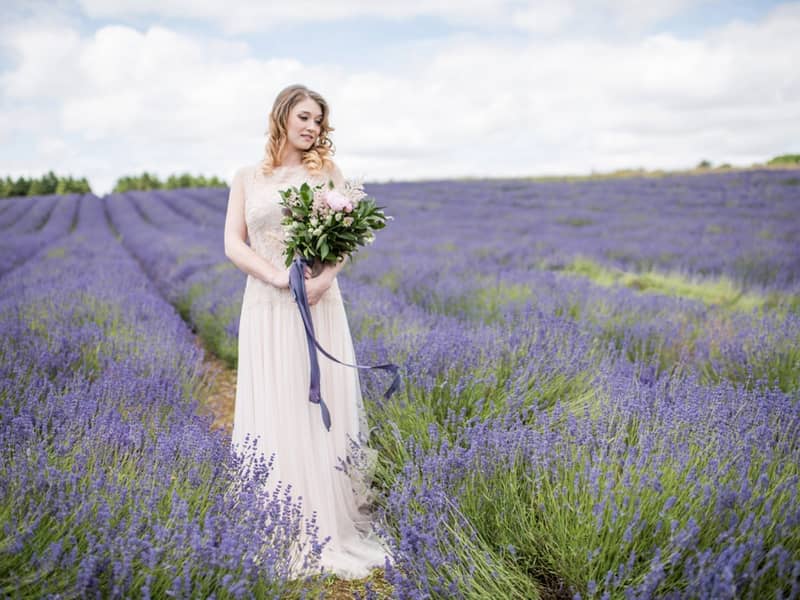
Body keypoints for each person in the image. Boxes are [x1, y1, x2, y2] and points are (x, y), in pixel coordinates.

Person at [223, 84, 389, 579]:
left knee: (317, 403)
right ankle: (280, 518)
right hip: (267, 303)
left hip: (318, 302)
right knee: (275, 399)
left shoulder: (328, 174)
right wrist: (277, 277)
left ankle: (324, 520)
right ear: (281, 118)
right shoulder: (247, 177)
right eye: (304, 116)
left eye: (318, 119)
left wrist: (324, 281)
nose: (312, 126)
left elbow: (344, 242)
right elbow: (234, 243)